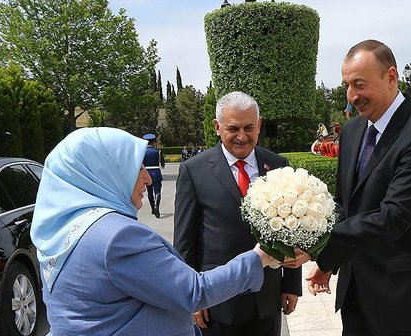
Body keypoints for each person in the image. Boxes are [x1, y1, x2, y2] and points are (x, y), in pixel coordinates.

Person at [31, 127, 279, 335]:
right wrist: (259, 257)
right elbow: (193, 291)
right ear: (106, 173)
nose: (147, 179)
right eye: (137, 168)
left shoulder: (68, 228)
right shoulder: (116, 237)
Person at [285, 40, 411, 336]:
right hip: (356, 291)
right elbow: (346, 204)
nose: (351, 96)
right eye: (347, 85)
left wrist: (318, 242)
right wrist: (328, 260)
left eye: (359, 84)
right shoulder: (353, 131)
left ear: (391, 77)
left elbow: (393, 217)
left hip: (402, 298)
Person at [174, 91, 302, 336]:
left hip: (267, 298)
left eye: (249, 128)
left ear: (259, 125)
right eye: (233, 128)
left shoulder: (278, 165)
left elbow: (291, 230)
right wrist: (191, 297)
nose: (242, 137)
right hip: (217, 301)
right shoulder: (194, 170)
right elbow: (184, 241)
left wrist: (292, 284)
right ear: (217, 127)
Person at [143, 133, 165, 218]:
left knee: (149, 192)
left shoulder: (142, 152)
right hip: (156, 172)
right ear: (154, 142)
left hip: (147, 172)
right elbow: (162, 164)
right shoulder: (158, 151)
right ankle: (157, 207)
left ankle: (152, 209)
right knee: (157, 191)